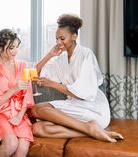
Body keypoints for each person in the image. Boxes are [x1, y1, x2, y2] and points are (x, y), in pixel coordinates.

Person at [31, 14, 123, 142]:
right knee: (37, 129)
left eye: (62, 38)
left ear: (74, 36)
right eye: (56, 38)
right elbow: (34, 74)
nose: (58, 42)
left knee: (36, 109)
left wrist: (51, 84)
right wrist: (49, 55)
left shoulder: (86, 55)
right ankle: (89, 130)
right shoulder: (60, 59)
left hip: (93, 108)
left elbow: (83, 94)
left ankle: (91, 126)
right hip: (75, 107)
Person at [0, 29, 34, 157]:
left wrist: (19, 116)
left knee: (22, 149)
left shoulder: (23, 66)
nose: (15, 51)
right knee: (11, 143)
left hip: (19, 113)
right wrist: (14, 89)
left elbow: (28, 96)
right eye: (11, 48)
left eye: (16, 47)